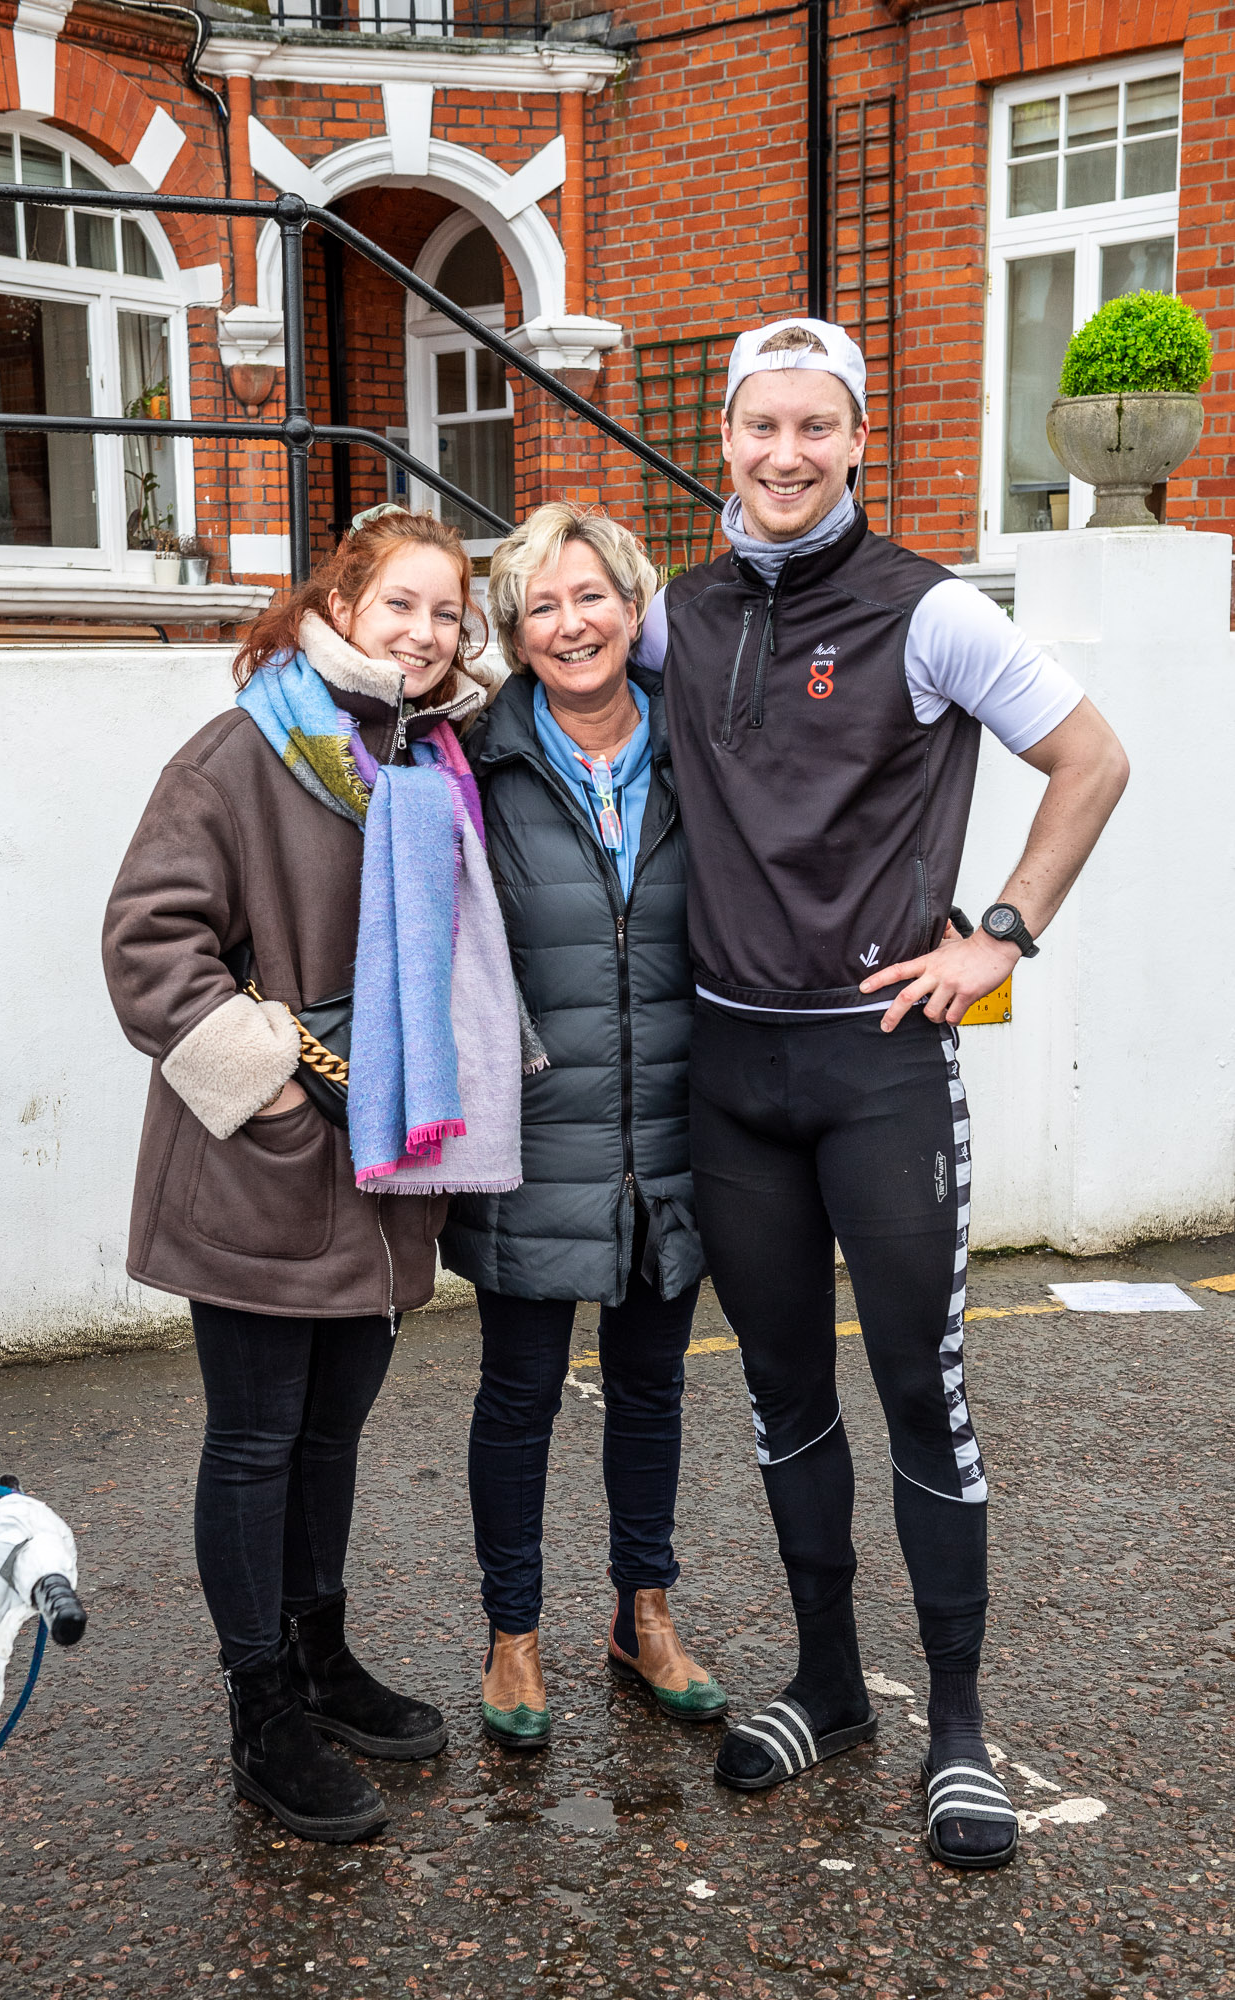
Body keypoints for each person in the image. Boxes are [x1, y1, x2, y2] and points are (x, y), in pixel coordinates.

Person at [636, 318, 1129, 1870]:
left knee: (922, 1394)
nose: (782, 455)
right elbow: (554, 661)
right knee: (783, 1401)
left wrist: (999, 935)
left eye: (813, 428)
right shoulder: (677, 614)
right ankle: (831, 1687)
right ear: (726, 437)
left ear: (857, 442)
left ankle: (959, 1731)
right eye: (757, 426)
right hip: (731, 1070)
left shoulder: (927, 613)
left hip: (876, 1070)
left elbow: (1094, 760)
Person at [102, 508, 524, 1843]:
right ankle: (262, 1707)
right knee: (255, 1439)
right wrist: (274, 1077)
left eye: (447, 612)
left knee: (331, 1433)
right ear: (337, 602)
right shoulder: (241, 752)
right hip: (268, 1162)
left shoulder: (426, 754)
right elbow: (149, 944)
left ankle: (321, 1657)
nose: (423, 631)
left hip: (382, 1168)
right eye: (399, 603)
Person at [442, 503, 727, 1748]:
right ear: (513, 632)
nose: (571, 624)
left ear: (633, 604)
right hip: (533, 1127)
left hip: (672, 1125)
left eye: (591, 596)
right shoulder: (467, 759)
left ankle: (642, 1614)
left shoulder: (704, 747)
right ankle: (513, 1636)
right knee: (517, 1394)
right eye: (541, 606)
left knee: (652, 1387)